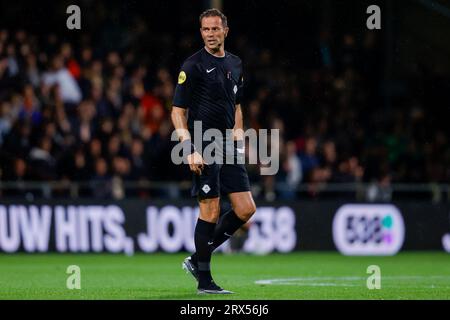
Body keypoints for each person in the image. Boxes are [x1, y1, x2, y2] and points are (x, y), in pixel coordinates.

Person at [170, 8, 256, 294]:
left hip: (228, 145)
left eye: (215, 29)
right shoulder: (192, 65)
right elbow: (177, 112)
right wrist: (188, 148)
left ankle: (197, 259)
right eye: (206, 30)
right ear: (201, 32)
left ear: (225, 31)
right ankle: (205, 281)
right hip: (203, 142)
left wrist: (238, 138)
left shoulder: (236, 64)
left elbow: (237, 105)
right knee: (211, 209)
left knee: (245, 208)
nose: (210, 34)